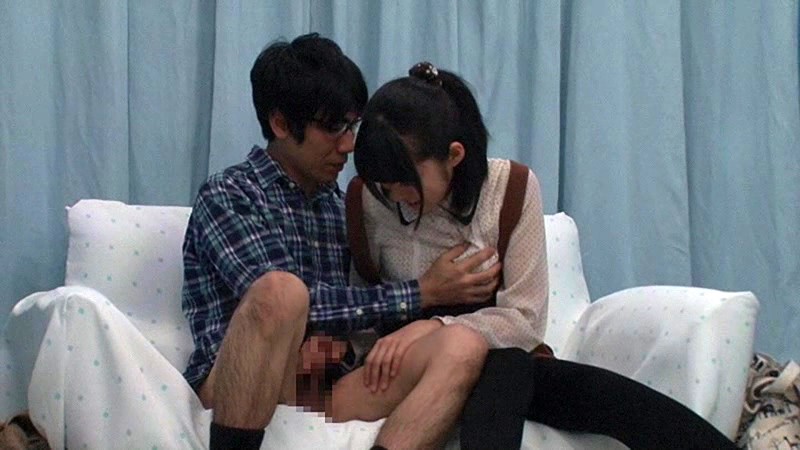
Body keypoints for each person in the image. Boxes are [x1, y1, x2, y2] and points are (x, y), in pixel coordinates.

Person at [334, 61, 739, 449]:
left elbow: (525, 320)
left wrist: (436, 324)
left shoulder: (510, 189)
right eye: (381, 184)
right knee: (503, 369)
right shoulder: (367, 202)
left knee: (601, 394)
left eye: (403, 181)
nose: (393, 195)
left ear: (454, 156)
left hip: (501, 356)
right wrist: (418, 310)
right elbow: (362, 310)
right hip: (410, 366)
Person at [180, 35, 500, 450]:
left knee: (463, 346)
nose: (348, 145)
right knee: (282, 291)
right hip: (241, 380)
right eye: (333, 128)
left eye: (352, 127)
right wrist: (422, 292)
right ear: (281, 124)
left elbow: (358, 308)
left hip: (325, 379)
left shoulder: (342, 204)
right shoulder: (230, 194)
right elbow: (294, 305)